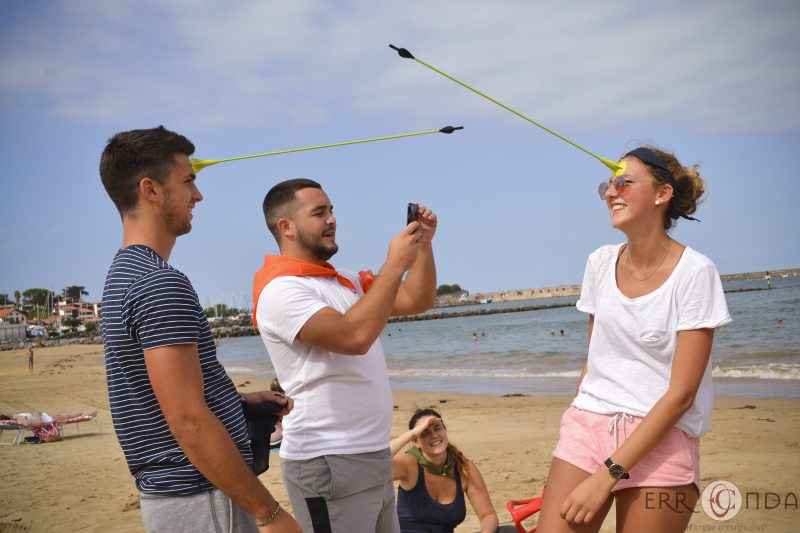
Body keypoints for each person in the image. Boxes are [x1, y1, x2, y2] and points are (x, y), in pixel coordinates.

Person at [99, 126, 300, 533]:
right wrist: (271, 515)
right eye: (188, 180)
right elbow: (188, 421)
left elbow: (158, 397)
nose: (198, 195)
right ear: (151, 190)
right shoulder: (159, 282)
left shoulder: (121, 275)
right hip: (201, 497)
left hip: (177, 496)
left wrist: (236, 401)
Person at [538, 147, 732, 532]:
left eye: (624, 182)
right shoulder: (599, 262)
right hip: (589, 426)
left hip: (661, 438)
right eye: (608, 185)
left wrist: (606, 475)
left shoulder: (696, 273)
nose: (611, 192)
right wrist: (577, 420)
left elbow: (681, 395)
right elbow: (595, 360)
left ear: (662, 195)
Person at [254, 178, 438, 532]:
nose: (332, 219)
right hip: (327, 460)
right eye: (319, 212)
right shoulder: (280, 289)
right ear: (286, 226)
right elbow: (354, 337)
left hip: (373, 454)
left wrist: (423, 248)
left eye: (332, 210)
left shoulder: (345, 280)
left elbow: (418, 300)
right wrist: (395, 264)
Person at [390, 409, 507, 533]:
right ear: (416, 441)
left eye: (437, 428)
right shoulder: (408, 464)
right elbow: (374, 464)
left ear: (445, 431)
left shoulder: (464, 467)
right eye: (424, 433)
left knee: (508, 531)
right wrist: (412, 434)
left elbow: (488, 515)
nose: (434, 435)